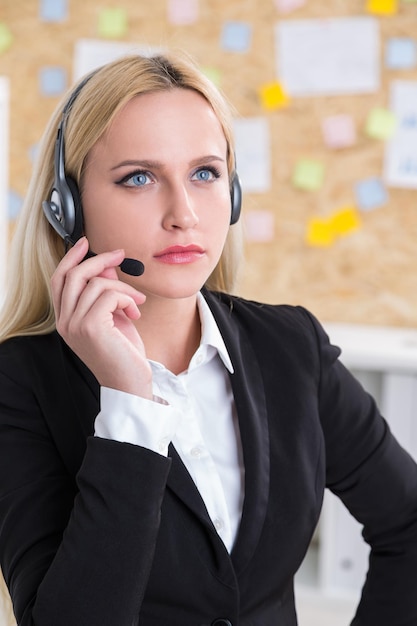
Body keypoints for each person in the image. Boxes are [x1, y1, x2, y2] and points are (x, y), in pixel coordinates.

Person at [0, 51, 416, 626]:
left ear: (234, 192)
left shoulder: (290, 346)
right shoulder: (19, 384)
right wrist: (129, 405)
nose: (184, 213)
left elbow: (408, 522)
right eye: (139, 178)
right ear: (67, 210)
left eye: (205, 172)